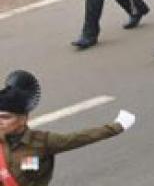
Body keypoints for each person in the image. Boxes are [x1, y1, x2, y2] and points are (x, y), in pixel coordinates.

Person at [0, 70, 136, 185]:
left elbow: (80, 138)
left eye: (5, 117)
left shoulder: (43, 142)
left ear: (23, 119)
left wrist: (117, 126)